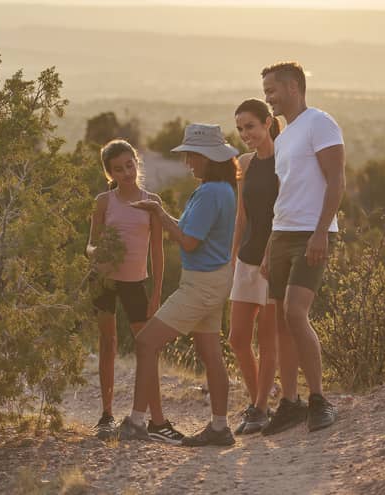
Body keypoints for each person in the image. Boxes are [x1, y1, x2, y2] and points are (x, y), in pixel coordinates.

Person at [118, 123, 239, 447]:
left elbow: (187, 241)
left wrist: (158, 211)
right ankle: (219, 427)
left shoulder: (211, 192)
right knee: (209, 351)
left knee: (145, 343)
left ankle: (138, 421)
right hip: (215, 280)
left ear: (207, 157)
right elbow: (192, 232)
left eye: (191, 156)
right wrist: (161, 214)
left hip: (200, 285)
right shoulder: (224, 189)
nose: (188, 162)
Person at [260, 61, 344, 434]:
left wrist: (322, 232)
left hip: (311, 233)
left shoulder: (319, 123)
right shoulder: (285, 135)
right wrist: (267, 247)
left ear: (293, 87)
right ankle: (290, 403)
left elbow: (336, 180)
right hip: (281, 234)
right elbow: (286, 192)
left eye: (272, 91)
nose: (268, 99)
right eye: (265, 92)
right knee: (280, 322)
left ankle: (319, 400)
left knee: (296, 313)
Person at [86, 139, 164, 440]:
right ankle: (106, 414)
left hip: (136, 284)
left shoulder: (151, 202)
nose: (126, 172)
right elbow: (90, 243)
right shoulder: (103, 202)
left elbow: (157, 252)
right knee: (108, 344)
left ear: (136, 161)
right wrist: (95, 252)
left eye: (129, 165)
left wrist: (156, 291)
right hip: (103, 281)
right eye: (118, 169)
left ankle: (152, 419)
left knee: (146, 349)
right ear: (110, 174)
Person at [228, 99, 281, 435]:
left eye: (250, 126)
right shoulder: (244, 163)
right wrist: (233, 257)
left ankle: (260, 408)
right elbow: (241, 217)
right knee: (237, 338)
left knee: (268, 337)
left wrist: (270, 255)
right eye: (240, 128)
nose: (245, 134)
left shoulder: (284, 162)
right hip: (246, 260)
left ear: (267, 123)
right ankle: (257, 402)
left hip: (272, 261)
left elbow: (285, 214)